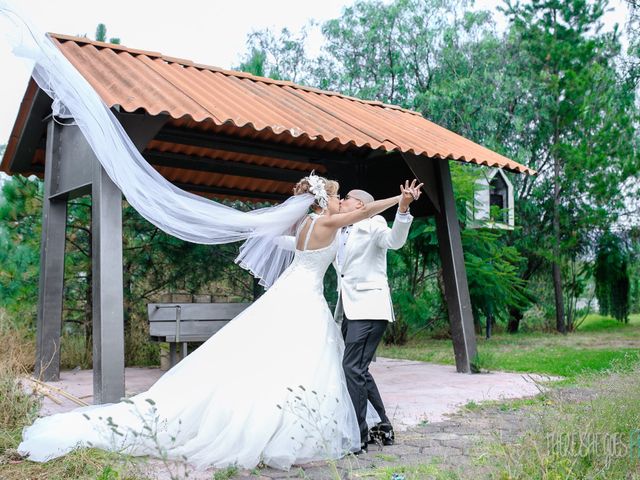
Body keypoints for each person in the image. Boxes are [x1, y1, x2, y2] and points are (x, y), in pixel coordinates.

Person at [17, 173, 423, 471]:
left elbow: (359, 229)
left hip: (296, 294)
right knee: (300, 362)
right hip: (305, 299)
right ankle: (283, 426)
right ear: (322, 202)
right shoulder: (326, 222)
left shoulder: (304, 224)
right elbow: (366, 209)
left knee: (276, 359)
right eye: (336, 198)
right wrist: (399, 199)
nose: (340, 203)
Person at [334, 181, 421, 453]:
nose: (342, 201)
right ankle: (383, 426)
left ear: (360, 204)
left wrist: (403, 207)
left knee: (352, 368)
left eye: (346, 198)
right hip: (349, 308)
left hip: (370, 307)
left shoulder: (374, 224)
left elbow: (395, 241)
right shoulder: (339, 229)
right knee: (359, 370)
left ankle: (359, 436)